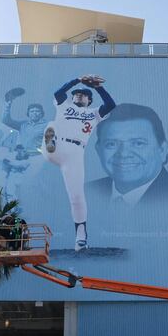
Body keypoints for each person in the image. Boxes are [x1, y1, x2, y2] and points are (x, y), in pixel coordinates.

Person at [42, 75, 115, 250]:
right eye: (76, 94)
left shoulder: (94, 113)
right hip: (57, 146)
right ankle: (49, 142)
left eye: (84, 94)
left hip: (75, 153)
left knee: (76, 197)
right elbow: (58, 93)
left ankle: (80, 237)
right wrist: (78, 80)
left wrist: (98, 87)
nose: (79, 95)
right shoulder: (64, 105)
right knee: (51, 125)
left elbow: (110, 105)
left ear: (89, 100)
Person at [86, 103, 168, 207]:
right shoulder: (86, 192)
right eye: (111, 144)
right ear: (98, 150)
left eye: (138, 143)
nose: (123, 154)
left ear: (162, 150)